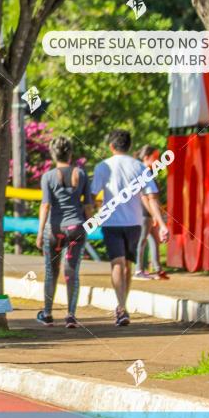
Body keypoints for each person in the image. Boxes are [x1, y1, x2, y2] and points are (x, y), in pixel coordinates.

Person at [90, 130, 169, 326]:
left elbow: (92, 195)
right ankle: (122, 306)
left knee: (117, 264)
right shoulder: (140, 167)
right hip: (134, 223)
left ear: (111, 146)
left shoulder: (103, 166)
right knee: (127, 265)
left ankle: (121, 307)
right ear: (130, 146)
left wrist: (93, 216)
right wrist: (162, 224)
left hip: (111, 223)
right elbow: (151, 197)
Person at [35, 137, 94, 328]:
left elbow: (45, 206)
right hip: (76, 227)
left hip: (54, 229)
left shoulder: (48, 176)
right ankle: (70, 315)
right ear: (70, 154)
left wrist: (39, 232)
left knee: (51, 271)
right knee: (71, 272)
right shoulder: (82, 174)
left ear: (53, 154)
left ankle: (47, 313)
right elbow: (88, 206)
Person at [134, 145, 168, 280]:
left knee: (154, 239)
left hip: (149, 213)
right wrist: (155, 215)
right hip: (143, 213)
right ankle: (138, 270)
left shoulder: (149, 172)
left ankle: (158, 268)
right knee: (141, 241)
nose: (158, 161)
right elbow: (145, 198)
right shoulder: (142, 172)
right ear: (146, 158)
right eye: (156, 158)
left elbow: (154, 198)